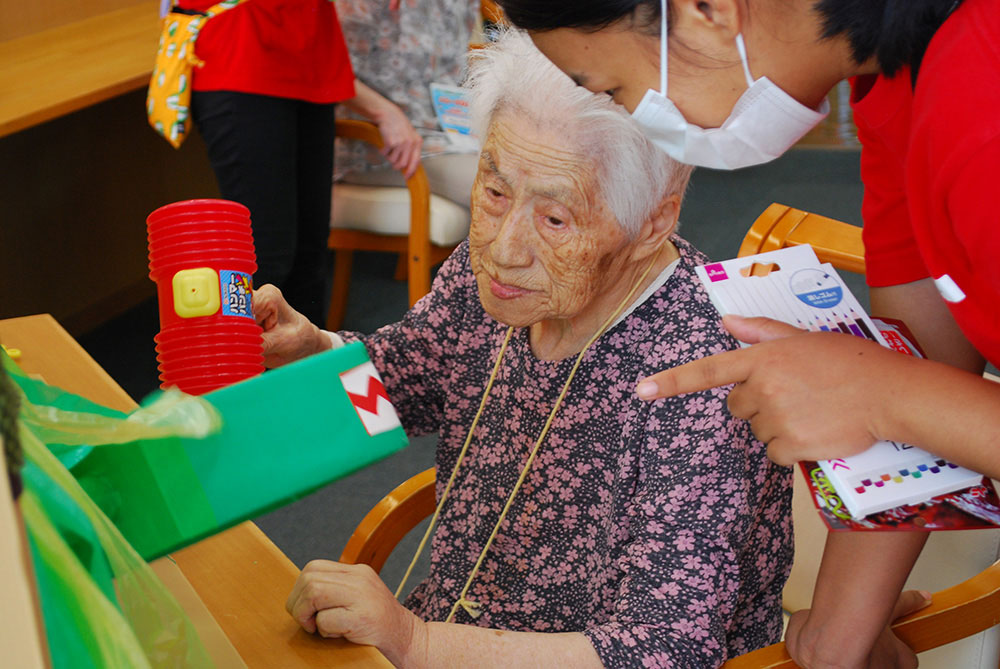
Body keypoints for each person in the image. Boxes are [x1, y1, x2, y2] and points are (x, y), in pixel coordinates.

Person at [257, 31, 792, 667]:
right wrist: (312, 350)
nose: (504, 248)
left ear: (653, 221)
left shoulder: (704, 375)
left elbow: (663, 651)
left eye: (555, 219)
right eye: (494, 192)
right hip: (455, 633)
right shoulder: (495, 280)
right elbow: (395, 395)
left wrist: (416, 641)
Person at [494, 0, 999, 666]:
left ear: (707, 12)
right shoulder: (895, 82)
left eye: (614, 90)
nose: (506, 245)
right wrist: (840, 629)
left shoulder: (980, 89)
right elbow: (923, 342)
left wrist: (881, 394)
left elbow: (905, 379)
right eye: (495, 192)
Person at [179, 0, 356, 327]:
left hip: (308, 53)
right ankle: (244, 370)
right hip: (243, 54)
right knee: (265, 255)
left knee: (310, 252)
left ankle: (305, 371)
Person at [334, 0, 483, 209]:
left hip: (454, 138)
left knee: (528, 174)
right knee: (499, 188)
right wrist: (385, 113)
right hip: (383, 148)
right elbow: (329, 71)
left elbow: (455, 75)